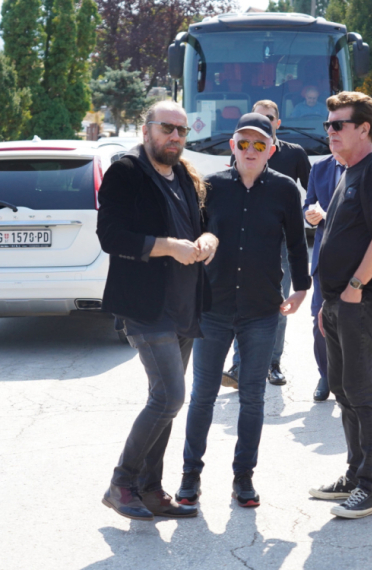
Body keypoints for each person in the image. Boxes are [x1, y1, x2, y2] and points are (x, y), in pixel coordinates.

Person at [177, 113, 311, 508]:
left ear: (272, 149)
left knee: (253, 397)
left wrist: (302, 288)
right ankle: (190, 476)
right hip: (213, 309)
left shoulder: (285, 189)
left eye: (259, 144)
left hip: (262, 311)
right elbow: (194, 237)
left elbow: (297, 243)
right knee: (202, 396)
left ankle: (244, 478)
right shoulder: (211, 187)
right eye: (244, 143)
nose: (251, 150)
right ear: (232, 146)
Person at [96, 101, 218, 521]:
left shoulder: (183, 174)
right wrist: (168, 247)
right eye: (167, 128)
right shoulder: (126, 172)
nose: (175, 137)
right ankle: (121, 483)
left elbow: (204, 224)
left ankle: (150, 489)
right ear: (146, 129)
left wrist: (208, 240)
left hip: (185, 304)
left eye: (182, 131)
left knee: (164, 401)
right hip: (145, 306)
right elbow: (110, 236)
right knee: (169, 397)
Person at [308, 91, 372, 519]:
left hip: (360, 302)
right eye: (328, 125)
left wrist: (355, 287)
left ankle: (371, 488)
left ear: (364, 128)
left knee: (363, 393)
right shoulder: (349, 170)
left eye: (338, 124)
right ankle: (354, 475)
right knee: (343, 391)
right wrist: (329, 303)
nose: (330, 131)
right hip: (338, 302)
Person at [223, 100, 311, 388]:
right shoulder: (242, 152)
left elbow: (313, 190)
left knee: (277, 307)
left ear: (277, 123)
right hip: (245, 243)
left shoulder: (294, 154)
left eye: (269, 118)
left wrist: (313, 211)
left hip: (281, 246)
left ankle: (273, 363)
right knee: (241, 304)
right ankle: (240, 365)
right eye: (256, 118)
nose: (262, 123)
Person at [303, 152, 346, 401]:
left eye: (337, 134)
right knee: (320, 320)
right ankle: (326, 375)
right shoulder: (319, 167)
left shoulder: (368, 165)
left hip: (357, 260)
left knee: (355, 321)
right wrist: (309, 215)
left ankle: (352, 378)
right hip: (323, 259)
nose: (333, 139)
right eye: (330, 135)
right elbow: (309, 203)